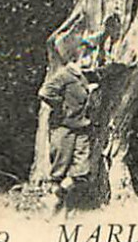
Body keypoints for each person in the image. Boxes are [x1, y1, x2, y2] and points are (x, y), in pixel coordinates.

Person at [38, 35, 101, 213]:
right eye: (87, 55)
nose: (91, 58)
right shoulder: (65, 74)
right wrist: (63, 108)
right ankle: (54, 207)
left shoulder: (84, 76)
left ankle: (58, 197)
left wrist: (89, 89)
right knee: (60, 169)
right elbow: (45, 92)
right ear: (77, 56)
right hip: (64, 128)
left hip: (82, 128)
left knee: (81, 171)